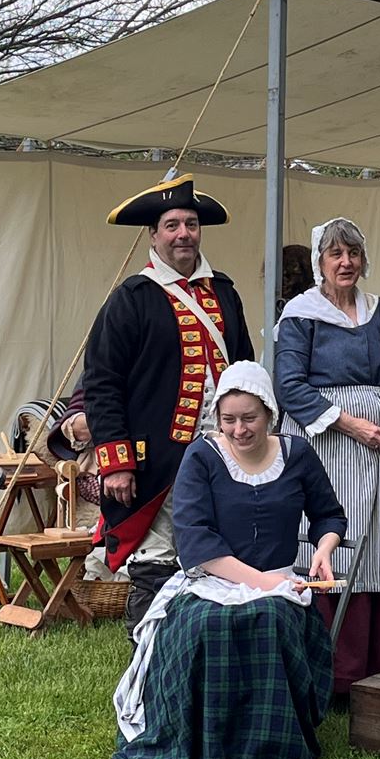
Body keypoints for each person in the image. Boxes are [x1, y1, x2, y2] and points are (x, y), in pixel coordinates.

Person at [111, 363, 347, 759]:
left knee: (271, 620)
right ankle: (206, 743)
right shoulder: (201, 457)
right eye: (229, 419)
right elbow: (197, 542)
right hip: (211, 581)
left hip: (281, 582)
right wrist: (266, 585)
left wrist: (325, 550)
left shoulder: (297, 454)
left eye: (249, 418)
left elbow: (329, 515)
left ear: (269, 414)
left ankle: (270, 749)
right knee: (208, 625)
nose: (239, 429)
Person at [81, 174, 255, 630]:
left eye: (192, 224)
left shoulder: (225, 293)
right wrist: (116, 461)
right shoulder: (131, 299)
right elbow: (102, 383)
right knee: (157, 558)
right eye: (173, 225)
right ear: (154, 235)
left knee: (221, 552)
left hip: (224, 453)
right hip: (159, 460)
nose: (184, 234)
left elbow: (245, 371)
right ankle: (151, 657)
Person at [271, 217, 380, 690]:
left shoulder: (379, 311)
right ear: (320, 262)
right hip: (327, 447)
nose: (346, 262)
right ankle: (335, 672)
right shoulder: (300, 313)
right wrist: (349, 423)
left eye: (353, 253)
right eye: (336, 254)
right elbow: (290, 386)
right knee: (337, 541)